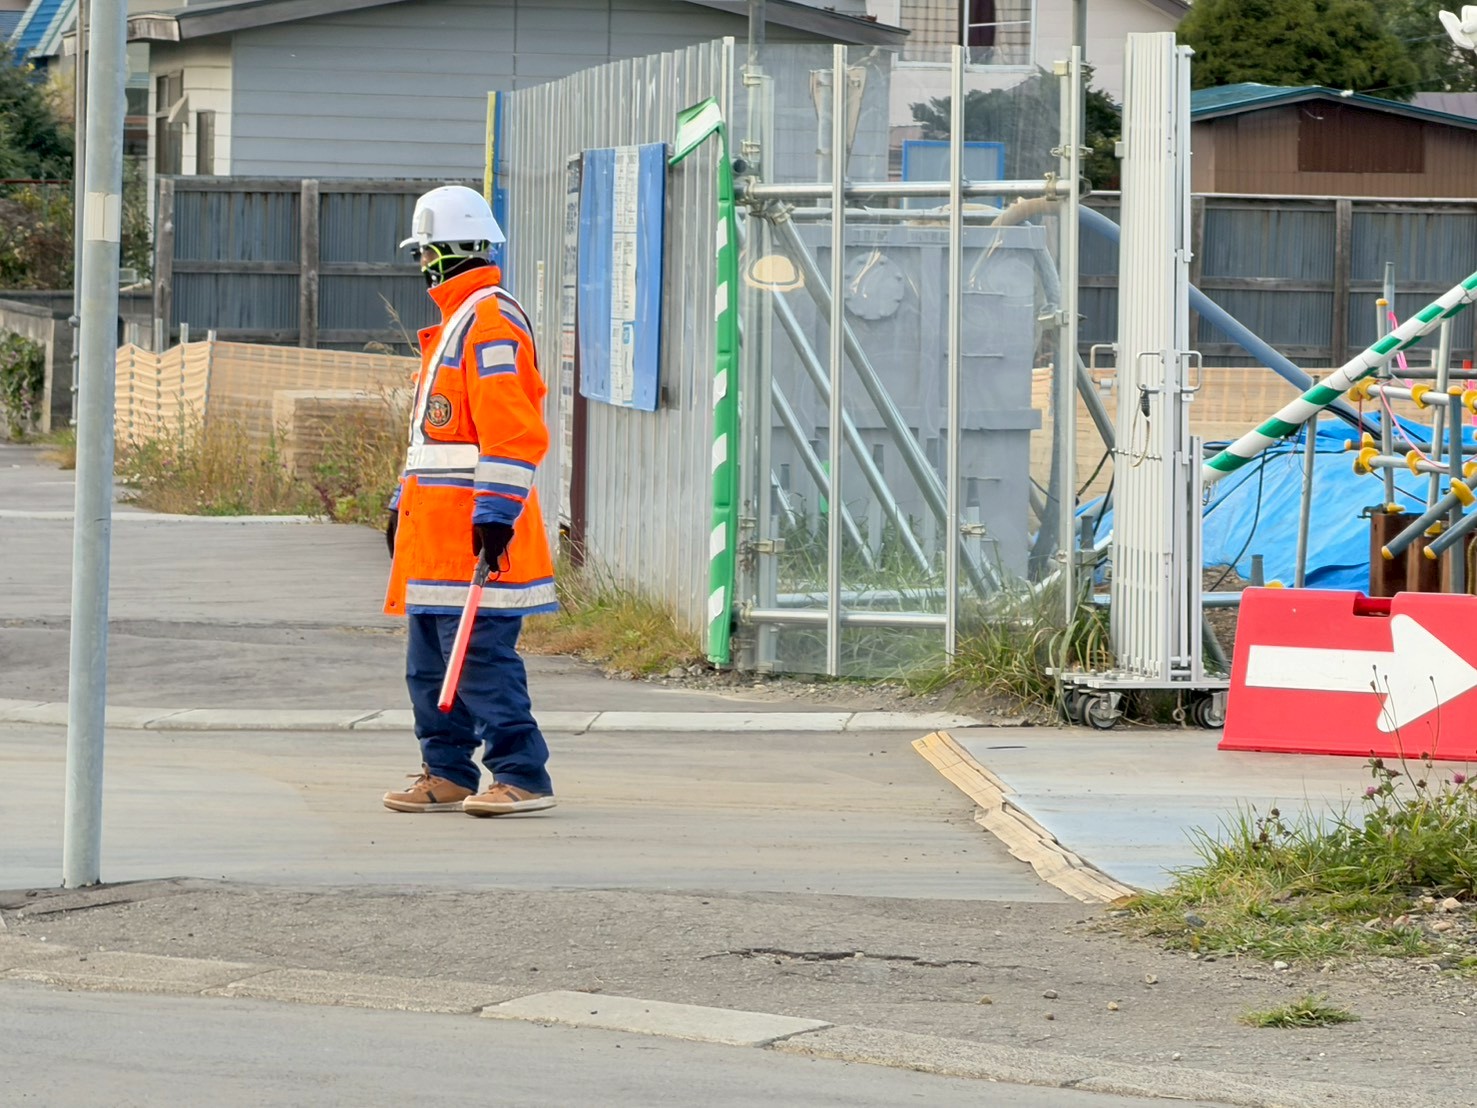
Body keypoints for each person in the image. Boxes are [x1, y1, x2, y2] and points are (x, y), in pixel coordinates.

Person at [380, 185, 557, 817]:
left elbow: (512, 432)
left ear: (439, 251)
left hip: (474, 537)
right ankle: (446, 771)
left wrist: (494, 515)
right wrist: (403, 502)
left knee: (479, 660)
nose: (422, 264)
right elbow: (435, 438)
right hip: (438, 539)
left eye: (425, 251)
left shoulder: (487, 322)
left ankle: (522, 775)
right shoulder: (458, 321)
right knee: (430, 666)